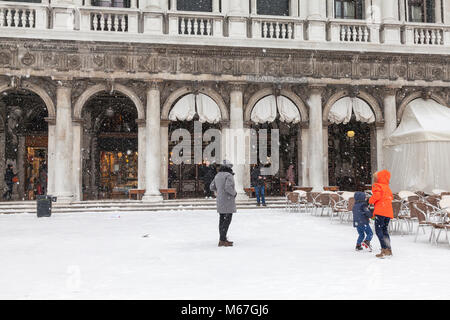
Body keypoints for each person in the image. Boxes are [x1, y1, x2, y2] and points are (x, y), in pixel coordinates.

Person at [210, 160, 237, 247]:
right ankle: (222, 240)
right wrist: (234, 193)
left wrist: (219, 191)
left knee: (222, 220)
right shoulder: (228, 175)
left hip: (220, 200)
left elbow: (211, 187)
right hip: (228, 200)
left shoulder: (217, 175)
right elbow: (228, 187)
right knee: (227, 220)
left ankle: (222, 239)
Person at [369, 170, 394, 258]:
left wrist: (370, 200)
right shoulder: (387, 187)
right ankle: (388, 249)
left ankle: (384, 249)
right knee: (384, 230)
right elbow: (391, 197)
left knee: (379, 230)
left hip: (380, 211)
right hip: (388, 212)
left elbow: (377, 196)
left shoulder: (377, 186)